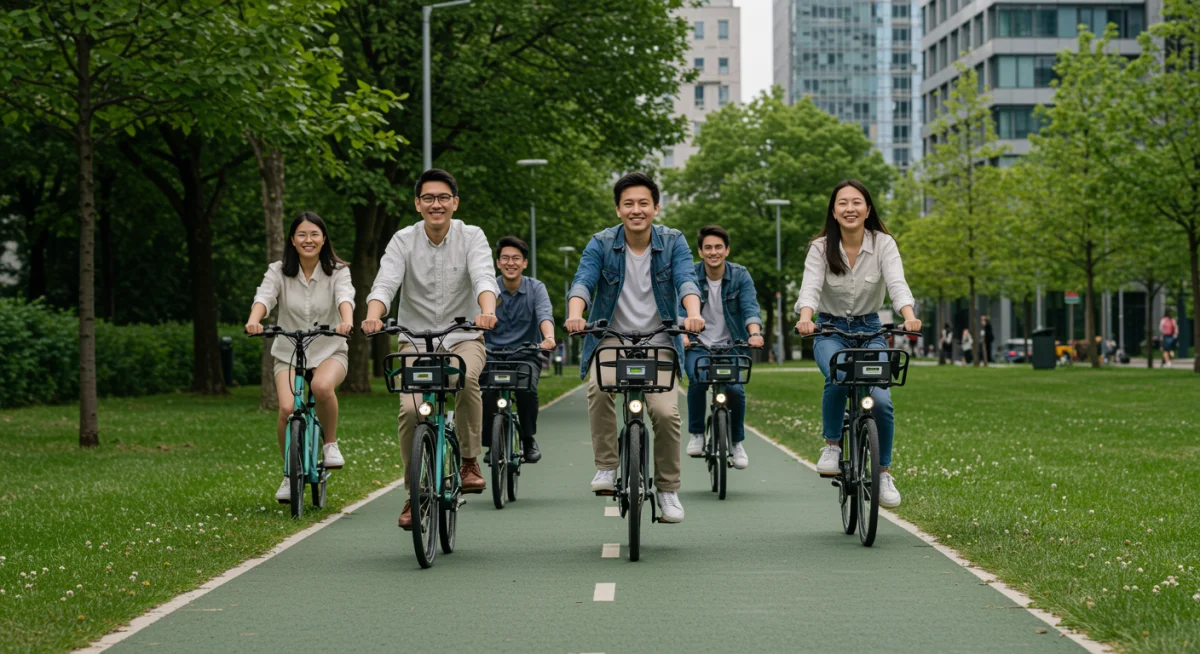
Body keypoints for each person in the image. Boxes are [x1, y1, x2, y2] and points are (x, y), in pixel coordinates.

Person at [361, 169, 499, 530]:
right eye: (428, 198)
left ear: (455, 202)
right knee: (410, 410)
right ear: (417, 204)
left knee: (466, 378)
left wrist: (487, 312)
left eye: (442, 198)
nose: (435, 204)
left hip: (463, 337)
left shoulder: (471, 236)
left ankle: (469, 460)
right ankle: (413, 495)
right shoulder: (403, 240)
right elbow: (386, 281)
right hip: (415, 340)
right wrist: (374, 316)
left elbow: (484, 275)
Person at [565, 172, 704, 524]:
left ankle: (668, 489)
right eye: (629, 204)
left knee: (665, 413)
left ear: (656, 208)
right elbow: (583, 281)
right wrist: (575, 315)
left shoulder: (673, 242)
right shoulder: (600, 243)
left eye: (644, 203)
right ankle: (607, 468)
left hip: (660, 337)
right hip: (611, 336)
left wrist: (693, 314)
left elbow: (686, 279)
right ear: (618, 210)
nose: (636, 210)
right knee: (598, 389)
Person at [794, 179, 920, 509]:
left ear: (867, 209)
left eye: (857, 202)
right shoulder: (820, 248)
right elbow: (809, 287)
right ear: (833, 212)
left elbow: (897, 283)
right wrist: (806, 317)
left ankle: (883, 473)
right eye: (843, 203)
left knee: (881, 400)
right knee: (838, 374)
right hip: (829, 330)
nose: (850, 208)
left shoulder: (884, 244)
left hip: (870, 330)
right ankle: (833, 445)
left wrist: (909, 315)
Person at [246, 212, 354, 503]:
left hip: (330, 349)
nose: (309, 240)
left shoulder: (339, 271)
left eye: (315, 234)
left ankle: (330, 444)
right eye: (302, 235)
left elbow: (346, 297)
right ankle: (288, 474)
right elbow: (265, 297)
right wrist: (255, 320)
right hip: (289, 351)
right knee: (286, 408)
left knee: (320, 387)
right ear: (292, 240)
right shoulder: (278, 270)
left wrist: (346, 320)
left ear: (324, 239)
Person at [681, 225, 764, 470]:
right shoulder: (690, 275)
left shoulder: (740, 275)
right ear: (700, 251)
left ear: (727, 250)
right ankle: (697, 433)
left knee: (735, 390)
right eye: (708, 247)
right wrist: (683, 335)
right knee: (696, 380)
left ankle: (737, 442)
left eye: (718, 247)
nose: (713, 252)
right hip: (697, 344)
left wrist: (755, 333)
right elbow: (679, 308)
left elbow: (750, 307)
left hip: (733, 345)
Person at [482, 235, 555, 464]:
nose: (510, 263)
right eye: (505, 258)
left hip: (526, 355)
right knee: (487, 393)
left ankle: (527, 438)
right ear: (498, 262)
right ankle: (489, 443)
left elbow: (544, 314)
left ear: (524, 263)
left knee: (526, 392)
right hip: (491, 354)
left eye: (516, 258)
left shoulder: (536, 288)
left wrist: (549, 337)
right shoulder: (487, 290)